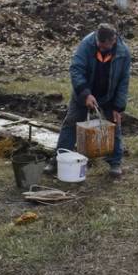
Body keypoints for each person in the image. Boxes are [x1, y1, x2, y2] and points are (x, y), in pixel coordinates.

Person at [46, 23, 131, 177]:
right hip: (85, 91)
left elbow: (124, 81)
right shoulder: (87, 44)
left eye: (104, 47)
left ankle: (115, 162)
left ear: (113, 41)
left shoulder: (123, 53)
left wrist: (118, 107)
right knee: (71, 123)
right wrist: (85, 94)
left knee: (114, 126)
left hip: (109, 95)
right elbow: (76, 69)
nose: (101, 48)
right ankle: (58, 159)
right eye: (99, 45)